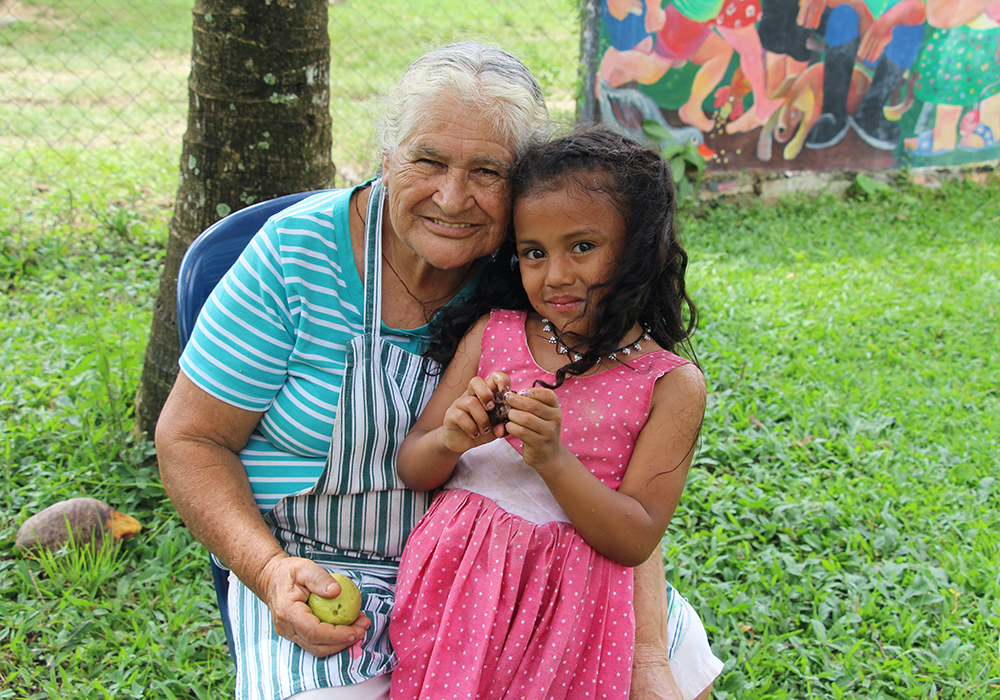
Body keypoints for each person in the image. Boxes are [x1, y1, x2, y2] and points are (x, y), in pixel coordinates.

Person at [156, 41, 720, 700]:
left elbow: (625, 456)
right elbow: (191, 438)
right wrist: (269, 571)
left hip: (541, 569)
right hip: (327, 574)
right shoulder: (295, 255)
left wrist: (648, 651)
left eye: (487, 171)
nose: (453, 199)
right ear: (386, 157)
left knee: (681, 675)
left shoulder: (539, 267)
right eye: (428, 160)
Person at [389, 125, 720, 699]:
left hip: (568, 608)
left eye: (582, 247)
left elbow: (636, 537)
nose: (556, 275)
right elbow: (412, 465)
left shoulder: (668, 384)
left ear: (639, 249)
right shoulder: (494, 333)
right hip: (460, 590)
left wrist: (552, 459)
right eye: (534, 253)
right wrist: (450, 438)